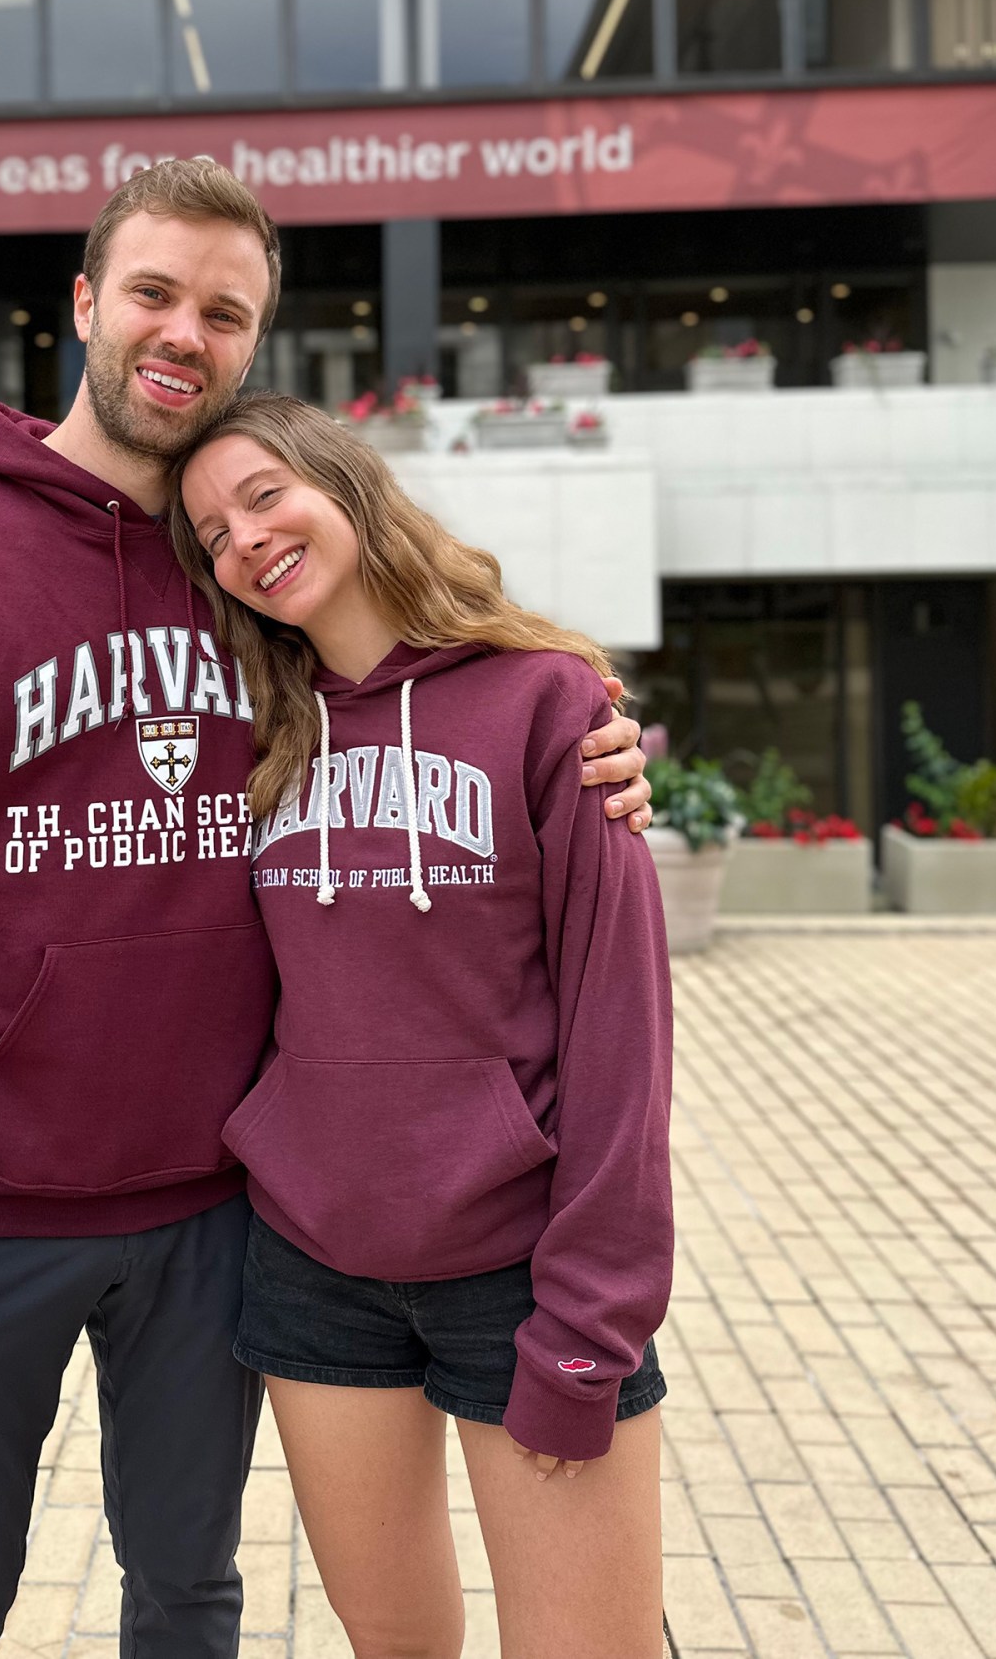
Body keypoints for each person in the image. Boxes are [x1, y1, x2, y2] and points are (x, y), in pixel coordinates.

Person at [0, 159, 655, 1659]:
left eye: (224, 312)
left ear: (252, 348)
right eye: (155, 293)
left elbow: (433, 695)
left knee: (188, 1599)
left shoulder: (245, 586)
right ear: (88, 303)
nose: (184, 331)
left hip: (218, 1214)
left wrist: (598, 743)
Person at [170, 391, 673, 1659]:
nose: (245, 538)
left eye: (264, 493)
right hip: (312, 1268)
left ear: (342, 482)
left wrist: (592, 1315)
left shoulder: (549, 705)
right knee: (394, 1644)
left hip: (522, 1269)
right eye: (213, 530)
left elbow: (623, 1036)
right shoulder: (250, 734)